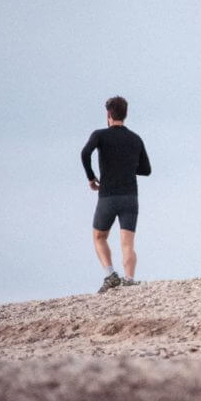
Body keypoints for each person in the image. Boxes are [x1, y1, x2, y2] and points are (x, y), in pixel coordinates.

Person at [81, 96, 151, 293]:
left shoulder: (100, 135)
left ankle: (111, 274)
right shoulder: (135, 139)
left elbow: (85, 153)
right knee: (127, 243)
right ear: (125, 114)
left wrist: (91, 177)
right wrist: (126, 165)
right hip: (130, 196)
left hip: (108, 196)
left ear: (108, 114)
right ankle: (129, 279)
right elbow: (146, 169)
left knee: (99, 237)